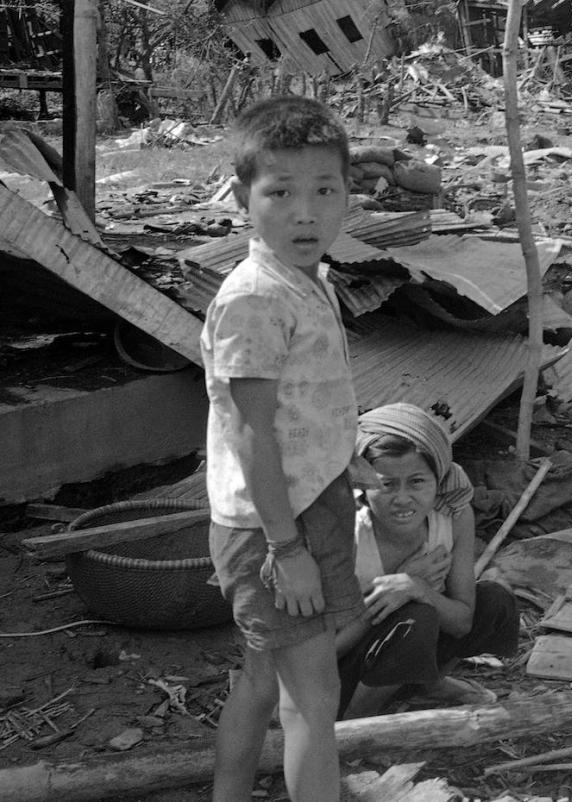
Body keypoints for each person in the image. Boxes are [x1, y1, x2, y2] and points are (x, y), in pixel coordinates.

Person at [200, 95, 362, 801]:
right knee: (313, 701)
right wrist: (288, 550)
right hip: (274, 528)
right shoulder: (256, 298)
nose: (306, 212)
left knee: (263, 681)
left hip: (299, 506)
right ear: (243, 198)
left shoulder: (306, 279)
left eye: (324, 190)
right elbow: (249, 429)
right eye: (281, 193)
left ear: (347, 194)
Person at [335, 403, 519, 719]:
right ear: (363, 487)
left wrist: (417, 587)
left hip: (403, 651)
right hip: (340, 671)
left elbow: (462, 621)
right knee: (415, 618)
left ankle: (426, 683)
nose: (403, 498)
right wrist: (385, 595)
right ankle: (353, 723)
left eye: (417, 481)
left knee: (494, 601)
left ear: (438, 481)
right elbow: (322, 650)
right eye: (386, 484)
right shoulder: (346, 534)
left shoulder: (453, 517)